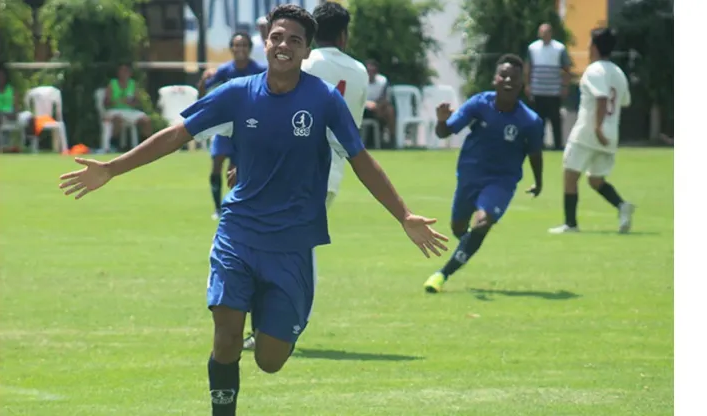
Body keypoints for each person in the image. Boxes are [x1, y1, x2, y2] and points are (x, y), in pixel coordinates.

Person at [58, 5, 448, 416]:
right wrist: (113, 168)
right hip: (239, 235)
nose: (283, 45)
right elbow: (175, 135)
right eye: (277, 37)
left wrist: (403, 215)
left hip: (291, 244)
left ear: (305, 51)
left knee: (269, 359)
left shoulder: (323, 100)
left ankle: (273, 313)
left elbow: (361, 159)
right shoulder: (238, 92)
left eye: (294, 40)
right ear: (266, 42)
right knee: (226, 339)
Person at [240, 0, 369, 350]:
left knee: (267, 244)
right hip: (332, 173)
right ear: (343, 35)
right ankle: (280, 324)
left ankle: (281, 324)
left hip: (288, 168)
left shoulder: (302, 62)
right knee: (297, 245)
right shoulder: (359, 71)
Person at [423, 54, 544, 294]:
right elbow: (444, 133)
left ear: (522, 84)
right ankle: (467, 248)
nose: (508, 81)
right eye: (503, 75)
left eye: (514, 78)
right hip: (469, 177)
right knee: (459, 228)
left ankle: (441, 275)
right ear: (494, 79)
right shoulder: (479, 104)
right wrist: (441, 121)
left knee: (482, 223)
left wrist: (538, 182)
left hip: (501, 182)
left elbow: (535, 154)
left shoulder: (530, 121)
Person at [548, 28, 634, 234]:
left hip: (589, 132)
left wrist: (597, 128)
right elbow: (626, 101)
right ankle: (622, 206)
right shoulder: (618, 72)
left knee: (570, 175)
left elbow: (602, 98)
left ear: (594, 47)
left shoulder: (594, 70)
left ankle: (570, 224)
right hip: (611, 134)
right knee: (595, 180)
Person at [198, 32, 267, 220]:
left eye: (244, 45)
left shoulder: (258, 70)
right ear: (231, 49)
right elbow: (204, 93)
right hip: (224, 126)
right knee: (217, 163)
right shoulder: (224, 70)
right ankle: (217, 208)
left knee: (238, 168)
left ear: (249, 49)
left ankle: (238, 206)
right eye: (237, 45)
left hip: (247, 127)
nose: (240, 49)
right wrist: (204, 80)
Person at [524, 23, 573, 150]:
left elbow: (566, 68)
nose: (544, 35)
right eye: (542, 32)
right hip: (538, 90)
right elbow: (528, 67)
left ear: (551, 33)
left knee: (555, 119)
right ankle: (539, 145)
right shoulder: (533, 48)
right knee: (539, 120)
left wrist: (565, 86)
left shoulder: (559, 48)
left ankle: (558, 144)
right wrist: (527, 85)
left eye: (546, 32)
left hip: (554, 90)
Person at [103, 63, 153, 146]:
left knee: (146, 120)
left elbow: (138, 101)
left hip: (129, 111)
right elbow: (105, 102)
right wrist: (116, 101)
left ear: (130, 73)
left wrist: (131, 103)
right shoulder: (112, 84)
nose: (124, 73)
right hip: (115, 110)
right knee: (117, 119)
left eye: (126, 71)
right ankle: (114, 144)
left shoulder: (133, 84)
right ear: (118, 73)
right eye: (122, 71)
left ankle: (146, 144)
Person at [363, 59, 395, 145]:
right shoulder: (360, 81)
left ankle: (392, 139)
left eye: (373, 71)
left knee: (390, 110)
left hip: (378, 107)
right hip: (363, 108)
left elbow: (385, 97)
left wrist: (377, 105)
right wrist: (367, 104)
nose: (371, 73)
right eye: (369, 71)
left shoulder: (382, 81)